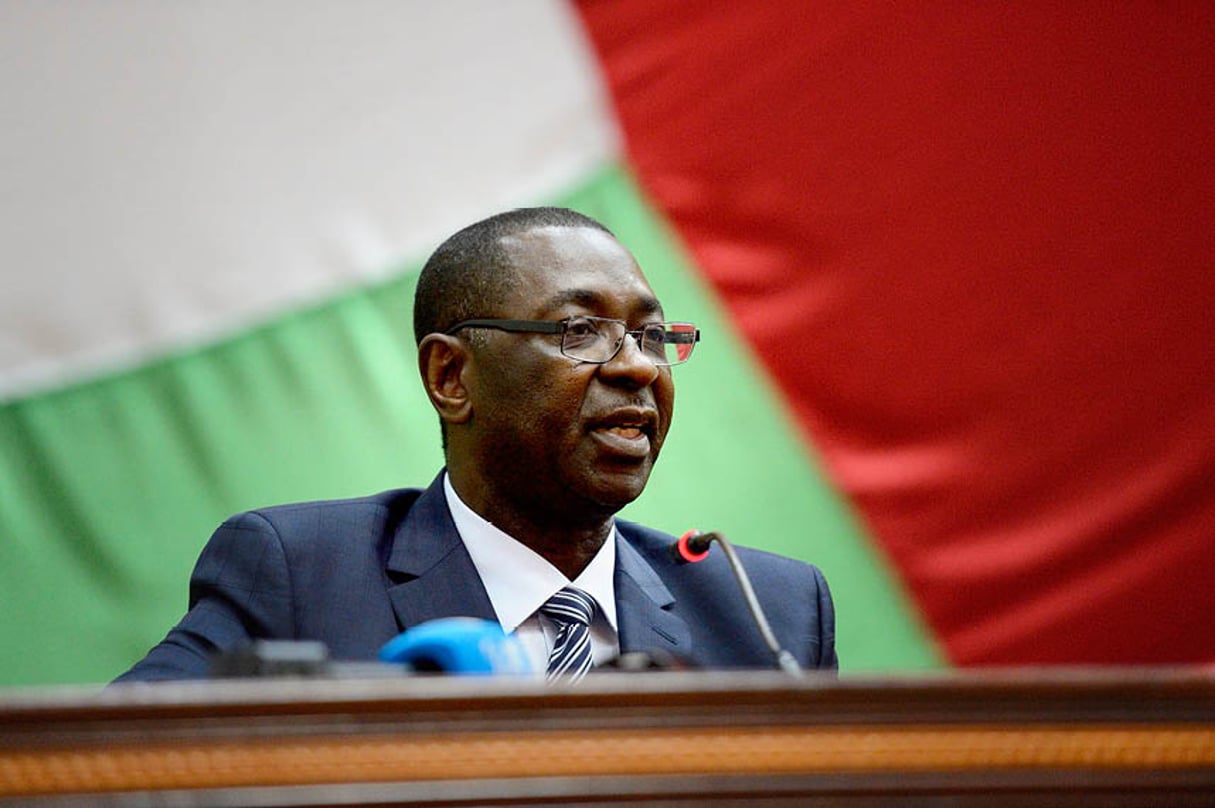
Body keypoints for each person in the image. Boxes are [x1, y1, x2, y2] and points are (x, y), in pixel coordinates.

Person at [115, 207, 837, 682]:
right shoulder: (301, 574)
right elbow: (103, 763)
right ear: (451, 376)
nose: (639, 366)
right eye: (579, 332)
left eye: (652, 335)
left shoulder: (768, 613)